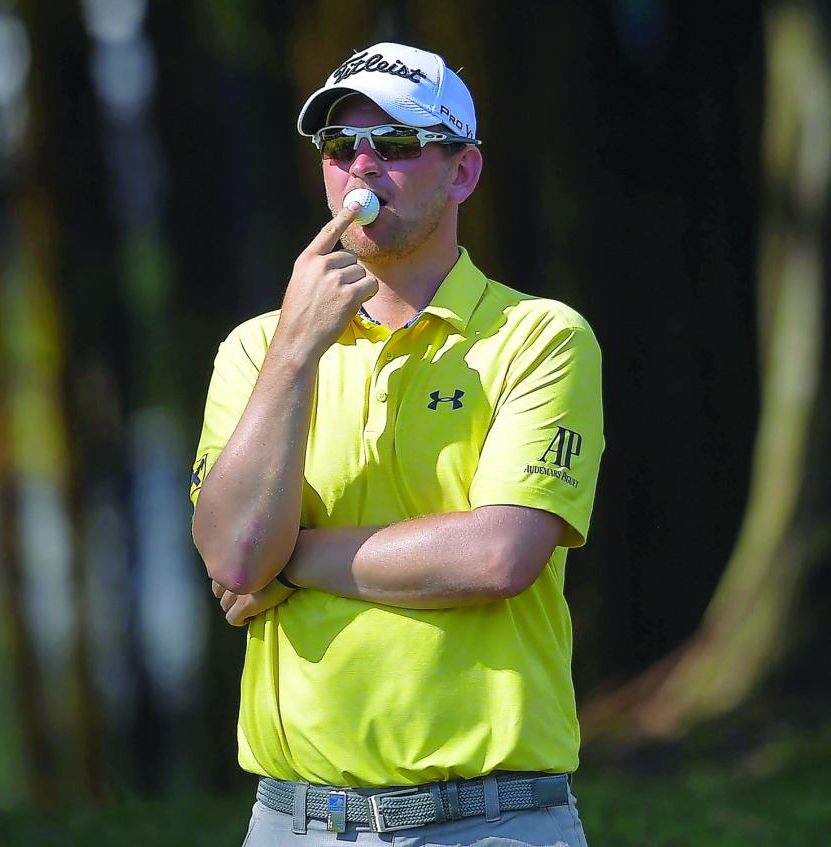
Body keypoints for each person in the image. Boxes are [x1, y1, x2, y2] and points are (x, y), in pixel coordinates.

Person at [191, 41, 604, 846]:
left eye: (399, 144)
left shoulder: (540, 336)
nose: (363, 166)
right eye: (342, 146)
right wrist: (294, 354)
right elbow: (235, 561)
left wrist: (294, 557)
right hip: (292, 820)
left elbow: (497, 556)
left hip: (492, 821)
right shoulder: (258, 350)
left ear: (463, 173)